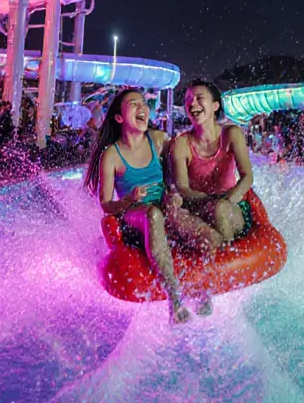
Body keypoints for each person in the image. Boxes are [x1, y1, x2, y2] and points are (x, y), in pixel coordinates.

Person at [83, 88, 216, 323]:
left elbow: (176, 178)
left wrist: (174, 195)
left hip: (163, 209)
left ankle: (204, 290)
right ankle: (175, 300)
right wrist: (129, 199)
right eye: (134, 104)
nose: (142, 107)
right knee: (153, 214)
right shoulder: (111, 155)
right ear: (119, 117)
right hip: (134, 216)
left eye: (144, 103)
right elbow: (106, 205)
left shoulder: (158, 140)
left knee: (207, 236)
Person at [170, 80, 256, 248]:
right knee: (209, 209)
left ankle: (228, 254)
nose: (192, 103)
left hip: (231, 206)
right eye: (188, 100)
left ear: (215, 106)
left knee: (220, 209)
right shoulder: (181, 143)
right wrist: (210, 201)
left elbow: (247, 177)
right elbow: (183, 188)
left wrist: (227, 200)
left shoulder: (231, 134)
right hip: (199, 208)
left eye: (199, 98)